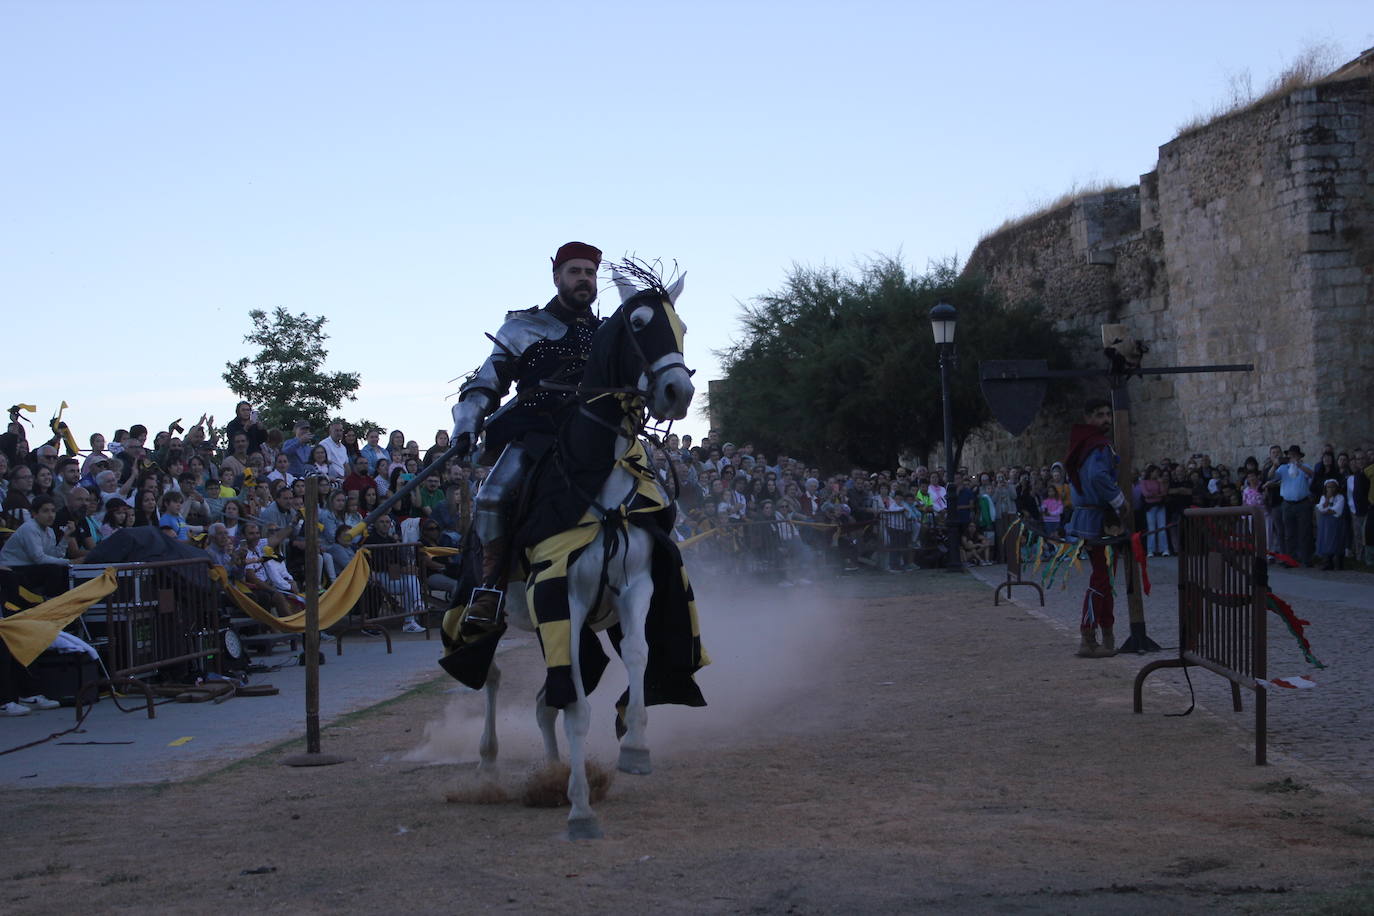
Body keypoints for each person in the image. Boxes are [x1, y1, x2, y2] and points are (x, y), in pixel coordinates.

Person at [448, 241, 605, 633]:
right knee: (492, 497)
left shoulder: (607, 334)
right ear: (557, 279)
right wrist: (466, 424)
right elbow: (486, 381)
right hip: (535, 434)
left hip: (596, 438)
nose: (584, 279)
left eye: (589, 272)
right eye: (575, 272)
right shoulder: (523, 327)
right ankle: (489, 591)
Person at [1064, 398, 1127, 659]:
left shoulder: (1086, 443)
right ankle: (1088, 636)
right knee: (1101, 578)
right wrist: (1119, 501)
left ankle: (1106, 635)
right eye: (1100, 415)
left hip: (1093, 518)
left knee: (1106, 577)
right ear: (1089, 417)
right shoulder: (1097, 446)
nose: (1106, 420)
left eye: (1107, 415)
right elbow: (1097, 477)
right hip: (1099, 521)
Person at [1273, 444, 1314, 565]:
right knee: (1289, 533)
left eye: (1294, 456)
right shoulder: (1283, 468)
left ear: (1299, 456)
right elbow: (1271, 477)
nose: (1291, 457)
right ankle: (1291, 559)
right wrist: (1275, 465)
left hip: (1303, 503)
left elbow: (1312, 474)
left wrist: (1299, 465)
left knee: (1305, 532)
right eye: (1290, 455)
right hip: (1287, 504)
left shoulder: (1304, 467)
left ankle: (1306, 559)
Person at [1314, 479, 1346, 571]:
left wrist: (1327, 510)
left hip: (1335, 522)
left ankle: (1338, 563)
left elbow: (1335, 510)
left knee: (1336, 540)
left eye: (1333, 486)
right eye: (1329, 487)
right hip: (1325, 523)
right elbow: (1321, 509)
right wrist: (1327, 500)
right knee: (1325, 540)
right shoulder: (1324, 497)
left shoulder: (1340, 497)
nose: (1331, 489)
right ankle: (1327, 562)